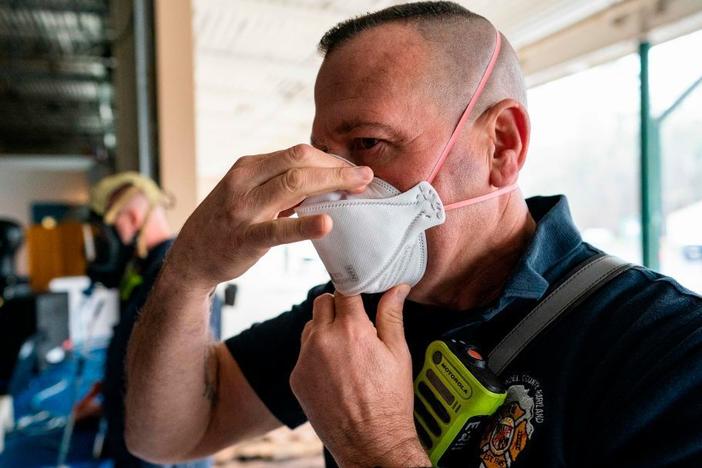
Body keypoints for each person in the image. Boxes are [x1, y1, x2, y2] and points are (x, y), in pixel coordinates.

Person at [124, 2, 702, 467]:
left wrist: (374, 446)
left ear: (501, 146)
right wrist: (188, 273)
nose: (337, 188)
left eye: (368, 145)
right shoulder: (354, 313)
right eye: (326, 156)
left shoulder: (665, 351)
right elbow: (169, 436)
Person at [89, 172, 219, 467]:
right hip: (139, 433)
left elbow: (183, 375)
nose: (109, 240)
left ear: (133, 218)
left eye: (112, 228)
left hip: (163, 450)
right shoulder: (148, 270)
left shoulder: (177, 276)